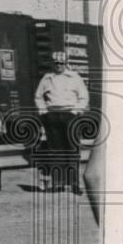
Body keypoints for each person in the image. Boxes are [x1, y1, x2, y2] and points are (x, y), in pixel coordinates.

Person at [33, 50, 89, 193]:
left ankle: (75, 184)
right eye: (56, 63)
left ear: (66, 63)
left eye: (61, 63)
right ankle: (58, 183)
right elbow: (38, 96)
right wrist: (44, 112)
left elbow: (83, 97)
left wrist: (75, 112)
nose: (58, 66)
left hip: (70, 115)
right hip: (52, 116)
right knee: (55, 151)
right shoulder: (47, 78)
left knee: (72, 149)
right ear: (53, 63)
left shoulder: (74, 77)